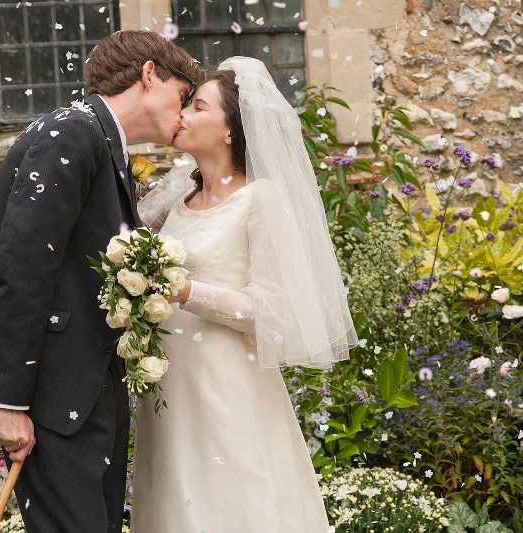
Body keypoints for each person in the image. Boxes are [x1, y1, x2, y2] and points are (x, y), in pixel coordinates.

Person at [0, 30, 202, 532]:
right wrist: (10, 404)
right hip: (54, 398)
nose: (184, 111)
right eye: (182, 94)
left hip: (85, 391)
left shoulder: (101, 141)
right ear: (149, 75)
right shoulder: (71, 133)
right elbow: (21, 267)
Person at [132, 57, 358, 531]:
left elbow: (269, 309)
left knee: (233, 503)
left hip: (226, 382)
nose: (182, 116)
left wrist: (186, 289)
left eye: (197, 106)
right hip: (169, 385)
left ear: (232, 129)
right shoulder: (176, 196)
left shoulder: (261, 198)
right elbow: (123, 244)